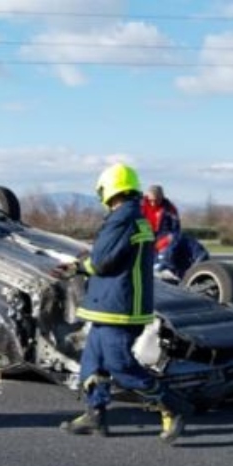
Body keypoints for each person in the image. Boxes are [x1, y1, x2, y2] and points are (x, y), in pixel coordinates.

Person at [53, 164, 188, 444]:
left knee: (120, 365)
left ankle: (172, 406)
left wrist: (77, 267)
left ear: (108, 189)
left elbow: (102, 262)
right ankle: (95, 414)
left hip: (119, 308)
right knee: (94, 361)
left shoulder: (122, 220)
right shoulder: (133, 217)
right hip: (112, 305)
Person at [141, 184, 182, 276]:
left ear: (162, 198)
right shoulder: (140, 206)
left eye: (156, 201)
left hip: (162, 237)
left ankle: (163, 267)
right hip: (144, 235)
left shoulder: (170, 209)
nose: (153, 203)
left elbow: (176, 230)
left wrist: (167, 240)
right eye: (150, 200)